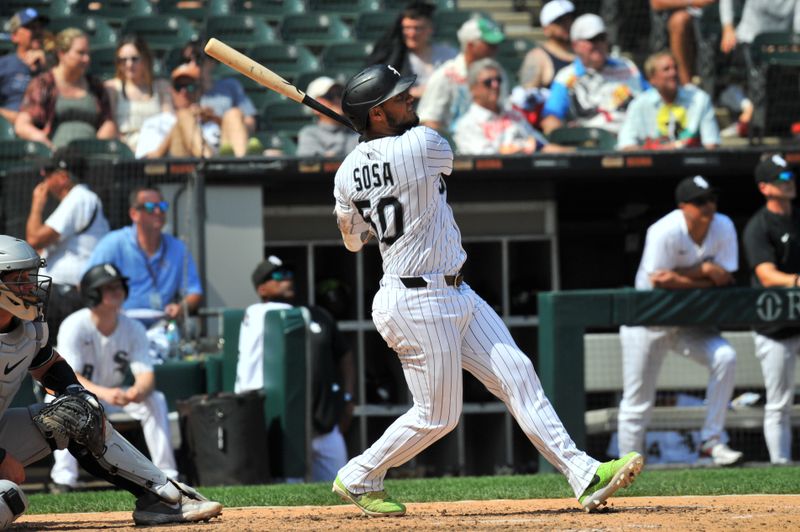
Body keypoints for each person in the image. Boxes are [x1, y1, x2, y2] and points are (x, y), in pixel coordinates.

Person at [330, 64, 644, 517]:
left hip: (456, 290)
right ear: (377, 113)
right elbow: (437, 158)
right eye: (399, 98)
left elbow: (354, 240)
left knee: (518, 376)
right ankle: (360, 473)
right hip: (416, 302)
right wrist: (385, 162)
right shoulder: (421, 144)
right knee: (437, 416)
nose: (411, 100)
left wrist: (369, 168)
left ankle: (583, 474)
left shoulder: (345, 174)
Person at [0, 235, 221, 526]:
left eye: (30, 276)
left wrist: (75, 392)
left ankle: (163, 497)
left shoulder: (29, 327)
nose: (31, 286)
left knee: (76, 414)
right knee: (9, 498)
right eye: (20, 278)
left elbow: (48, 363)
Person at [618, 175, 743, 466]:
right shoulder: (664, 230)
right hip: (648, 322)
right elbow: (660, 280)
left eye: (711, 199)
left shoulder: (723, 226)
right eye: (700, 201)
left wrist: (688, 277)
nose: (708, 206)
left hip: (687, 323)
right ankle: (626, 466)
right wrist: (705, 272)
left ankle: (711, 442)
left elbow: (725, 277)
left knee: (725, 356)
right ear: (683, 206)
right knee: (637, 403)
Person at [50, 263, 178, 491]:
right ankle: (63, 479)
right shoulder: (74, 325)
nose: (116, 291)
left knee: (154, 399)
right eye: (108, 287)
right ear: (92, 293)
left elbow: (146, 374)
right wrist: (106, 393)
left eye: (118, 286)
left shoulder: (133, 327)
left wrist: (138, 390)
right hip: (79, 396)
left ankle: (168, 475)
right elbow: (69, 376)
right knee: (59, 403)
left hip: (115, 398)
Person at [235, 255, 355, 482]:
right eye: (278, 276)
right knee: (291, 492)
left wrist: (348, 399)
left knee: (343, 489)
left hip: (325, 422)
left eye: (289, 275)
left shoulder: (316, 314)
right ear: (262, 289)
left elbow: (345, 354)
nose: (287, 280)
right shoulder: (258, 315)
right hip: (286, 426)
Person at [742, 154, 800, 464]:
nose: (788, 182)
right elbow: (766, 274)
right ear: (765, 187)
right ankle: (780, 465)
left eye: (789, 176)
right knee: (779, 402)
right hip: (774, 327)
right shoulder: (759, 225)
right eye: (780, 179)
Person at [85, 186, 203, 330]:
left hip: (161, 328)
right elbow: (86, 284)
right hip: (119, 328)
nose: (158, 212)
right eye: (150, 207)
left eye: (162, 206)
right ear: (134, 214)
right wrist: (108, 310)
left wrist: (180, 307)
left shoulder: (178, 248)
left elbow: (194, 292)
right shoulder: (113, 243)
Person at [25, 148, 110, 344]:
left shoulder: (79, 197)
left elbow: (34, 238)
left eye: (48, 172)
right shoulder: (79, 199)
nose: (43, 176)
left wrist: (37, 204)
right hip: (60, 293)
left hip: (67, 294)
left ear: (63, 177)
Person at [540, 14, 647, 135]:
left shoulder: (627, 67)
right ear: (575, 45)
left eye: (601, 38)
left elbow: (653, 97)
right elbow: (551, 118)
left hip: (637, 138)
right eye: (592, 40)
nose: (598, 44)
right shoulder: (566, 77)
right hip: (593, 143)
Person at [15, 27, 117, 150]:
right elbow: (21, 125)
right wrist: (44, 142)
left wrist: (96, 147)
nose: (87, 59)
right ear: (62, 54)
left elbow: (108, 122)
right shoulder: (43, 84)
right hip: (55, 155)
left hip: (92, 159)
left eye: (88, 53)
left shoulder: (95, 86)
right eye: (80, 53)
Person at [454, 58, 568, 155]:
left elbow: (541, 145)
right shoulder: (467, 124)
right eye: (488, 82)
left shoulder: (514, 115)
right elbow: (485, 160)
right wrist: (523, 147)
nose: (495, 85)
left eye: (498, 80)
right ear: (473, 88)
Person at [417, 16, 507, 134]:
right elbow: (428, 121)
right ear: (471, 46)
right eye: (489, 45)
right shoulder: (445, 76)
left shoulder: (498, 73)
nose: (495, 49)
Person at [617, 51, 720, 150]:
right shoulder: (639, 105)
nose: (673, 73)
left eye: (675, 68)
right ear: (652, 78)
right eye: (666, 69)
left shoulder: (700, 99)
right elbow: (626, 144)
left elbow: (711, 144)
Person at [179, 40, 259, 157]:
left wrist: (218, 120)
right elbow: (170, 124)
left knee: (233, 114)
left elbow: (250, 123)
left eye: (197, 59)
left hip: (226, 143)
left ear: (211, 62)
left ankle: (240, 167)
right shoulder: (180, 88)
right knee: (184, 115)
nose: (191, 64)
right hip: (191, 148)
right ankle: (207, 165)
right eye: (186, 61)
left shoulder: (230, 86)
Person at [366, 2, 458, 101]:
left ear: (430, 29)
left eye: (418, 28)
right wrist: (412, 92)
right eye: (407, 28)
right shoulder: (394, 58)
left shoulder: (448, 55)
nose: (412, 34)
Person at [104, 35, 173, 154]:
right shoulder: (112, 88)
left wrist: (158, 152)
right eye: (123, 60)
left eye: (134, 59)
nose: (129, 64)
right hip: (126, 152)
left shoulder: (161, 86)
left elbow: (170, 122)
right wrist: (129, 151)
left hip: (158, 150)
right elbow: (112, 127)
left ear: (145, 59)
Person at [135, 63, 219, 159]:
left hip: (223, 169)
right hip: (175, 171)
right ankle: (207, 163)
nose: (184, 91)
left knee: (234, 114)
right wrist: (183, 119)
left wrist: (214, 118)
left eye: (190, 86)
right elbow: (146, 161)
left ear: (200, 90)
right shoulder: (156, 123)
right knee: (184, 115)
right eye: (179, 86)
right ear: (171, 90)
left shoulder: (211, 120)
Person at [0, 8, 49, 125]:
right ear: (15, 36)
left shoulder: (55, 64)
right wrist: (15, 119)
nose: (37, 32)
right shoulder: (4, 64)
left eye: (40, 27)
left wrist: (46, 67)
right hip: (9, 126)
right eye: (30, 28)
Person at [650, 0, 716, 86]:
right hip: (669, 31)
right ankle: (686, 85)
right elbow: (656, 3)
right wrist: (691, 2)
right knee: (679, 21)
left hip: (711, 20)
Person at [518, 0, 576, 90]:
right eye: (559, 21)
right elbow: (527, 97)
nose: (567, 24)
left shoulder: (582, 51)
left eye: (569, 18)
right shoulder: (538, 57)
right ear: (546, 29)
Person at [296, 77, 358, 158]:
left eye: (339, 94)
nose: (337, 99)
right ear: (313, 106)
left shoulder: (356, 132)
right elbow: (311, 166)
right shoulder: (309, 134)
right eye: (330, 96)